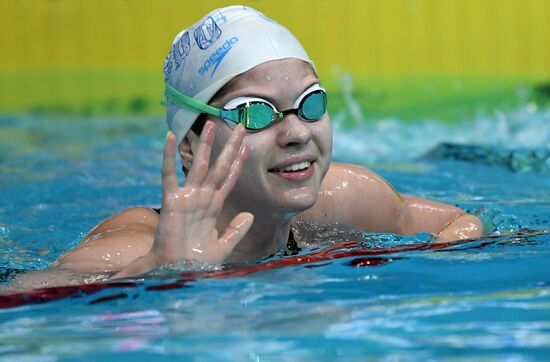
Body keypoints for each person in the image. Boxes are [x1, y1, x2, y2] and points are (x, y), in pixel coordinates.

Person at [4, 6, 483, 291]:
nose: (296, 132)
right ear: (190, 145)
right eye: (255, 112)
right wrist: (161, 272)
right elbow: (21, 300)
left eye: (309, 103)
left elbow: (459, 223)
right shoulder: (134, 244)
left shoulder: (347, 199)